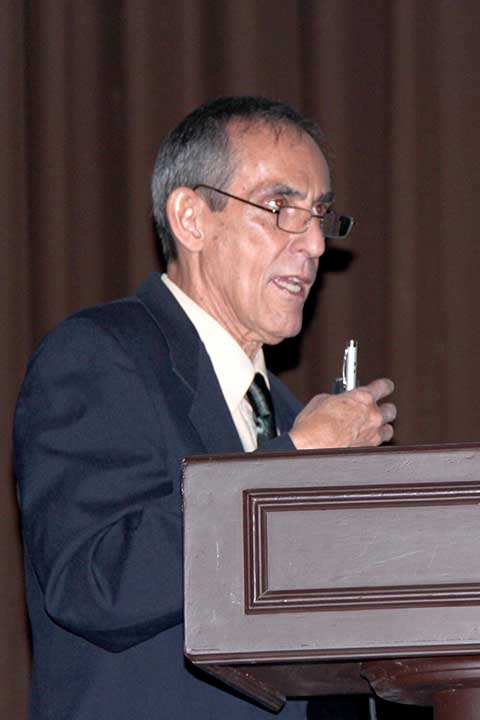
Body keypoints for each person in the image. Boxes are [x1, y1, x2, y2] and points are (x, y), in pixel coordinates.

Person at [14, 96, 396, 720]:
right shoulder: (99, 357)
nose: (313, 244)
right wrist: (295, 464)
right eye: (281, 208)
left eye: (320, 215)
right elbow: (94, 582)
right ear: (191, 219)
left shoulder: (287, 413)